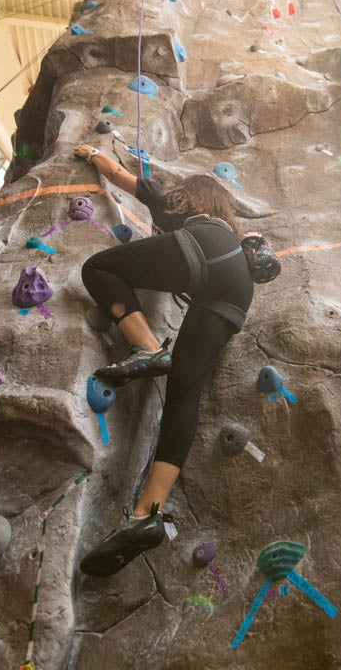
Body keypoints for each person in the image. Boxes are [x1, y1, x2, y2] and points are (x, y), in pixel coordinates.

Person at [73, 142, 255, 577]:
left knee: (98, 268)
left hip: (201, 250)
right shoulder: (231, 227)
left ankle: (149, 346)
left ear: (188, 194)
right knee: (183, 396)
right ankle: (146, 514)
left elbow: (117, 175)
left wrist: (93, 151)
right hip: (236, 288)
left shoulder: (175, 202)